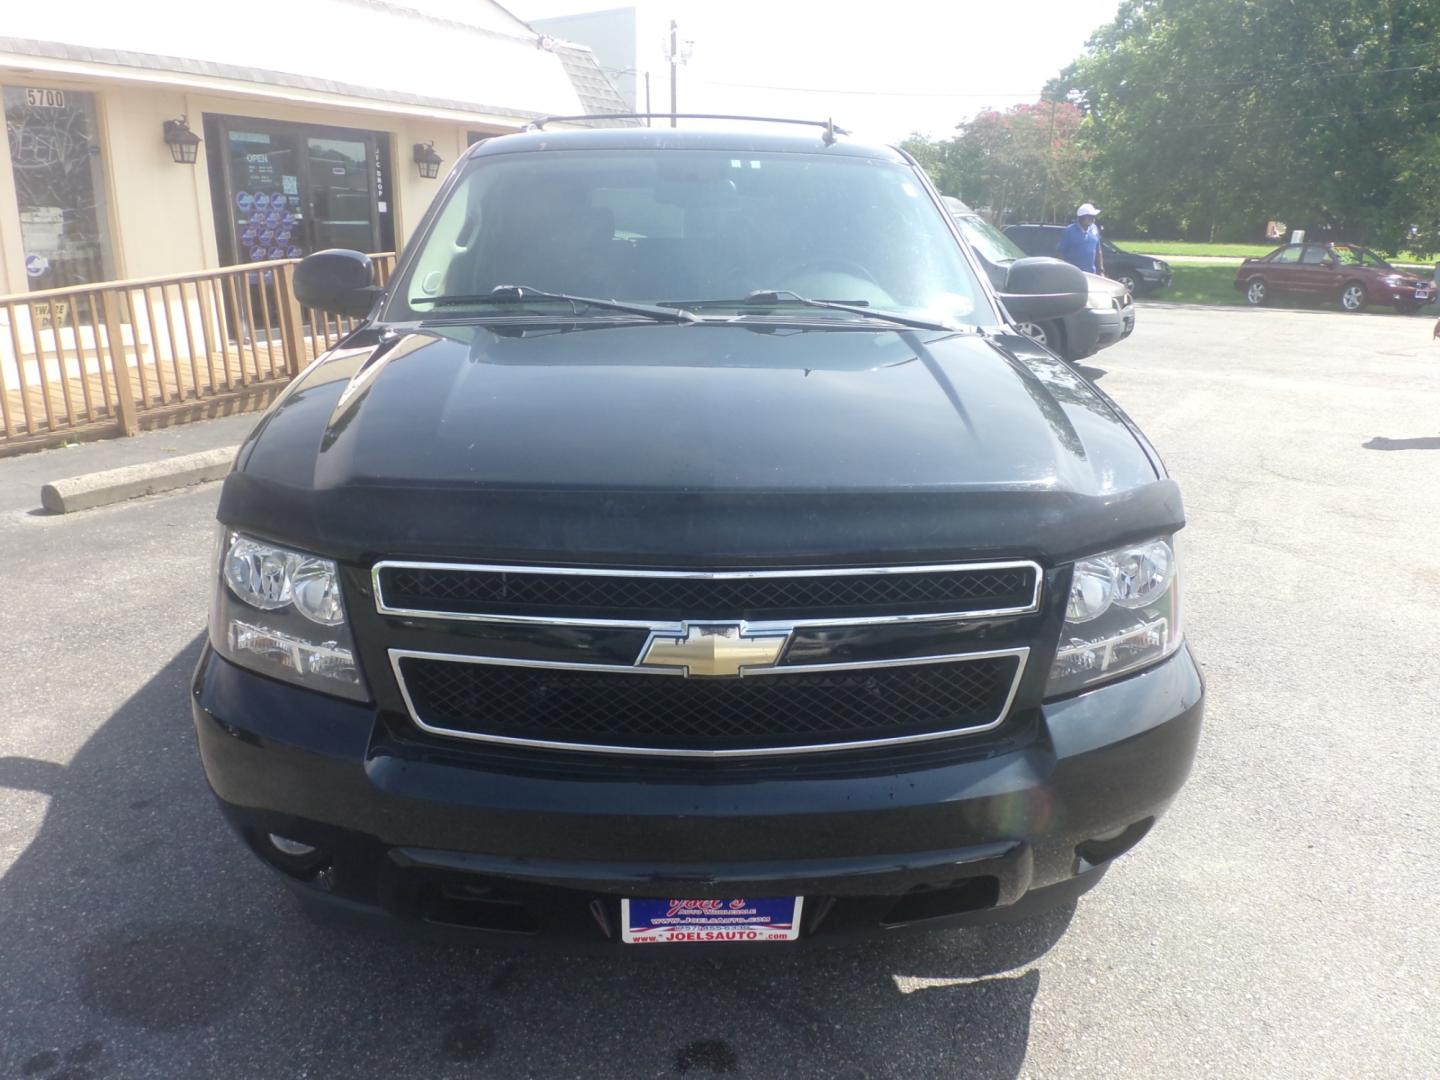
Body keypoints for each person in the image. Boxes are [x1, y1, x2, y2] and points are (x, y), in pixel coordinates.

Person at [1057, 203, 1105, 275]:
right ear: (1082, 217)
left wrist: (1101, 270)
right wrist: (1061, 272)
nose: (1093, 219)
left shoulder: (1094, 228)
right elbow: (1060, 253)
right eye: (1090, 217)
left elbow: (1098, 251)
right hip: (1073, 273)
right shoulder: (1069, 231)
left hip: (1091, 273)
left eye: (1093, 216)